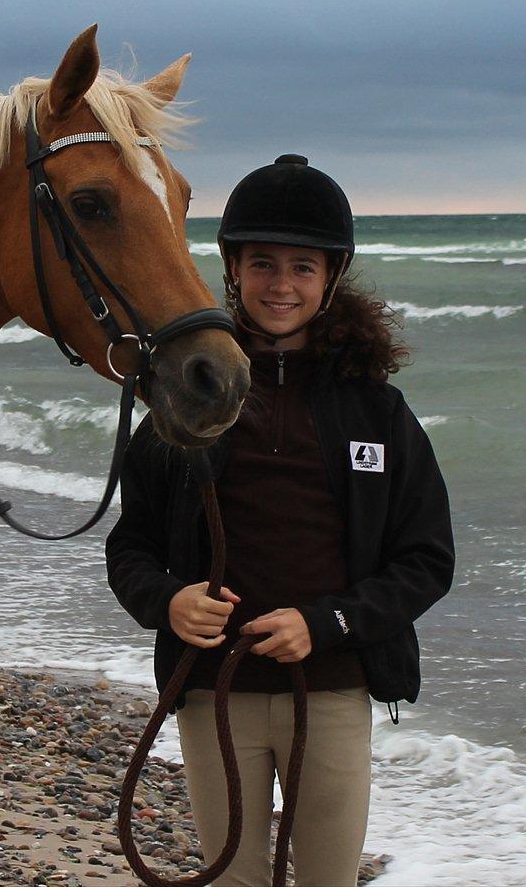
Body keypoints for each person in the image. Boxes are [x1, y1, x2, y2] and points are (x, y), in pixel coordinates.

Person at [105, 154, 454, 887]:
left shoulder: (375, 410)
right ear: (231, 269)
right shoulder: (190, 399)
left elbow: (425, 558)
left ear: (330, 278)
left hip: (329, 691)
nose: (281, 285)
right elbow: (130, 545)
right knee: (229, 879)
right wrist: (166, 601)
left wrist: (325, 623)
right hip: (212, 693)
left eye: (302, 267)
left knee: (327, 880)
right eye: (262, 264)